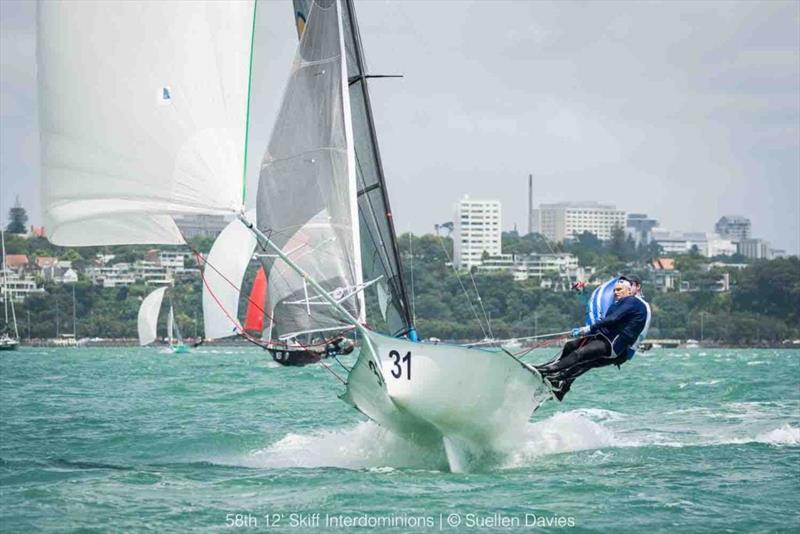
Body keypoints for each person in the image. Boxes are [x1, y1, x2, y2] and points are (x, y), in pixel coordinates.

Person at [536, 277, 650, 401]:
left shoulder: (638, 303)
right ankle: (557, 380)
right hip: (605, 337)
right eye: (615, 289)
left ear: (636, 287)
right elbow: (596, 309)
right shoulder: (618, 302)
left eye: (623, 288)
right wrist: (581, 293)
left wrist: (589, 329)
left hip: (621, 348)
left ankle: (553, 375)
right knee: (572, 348)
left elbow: (621, 323)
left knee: (584, 359)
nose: (616, 292)